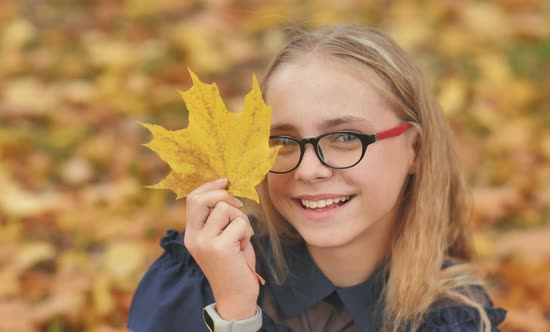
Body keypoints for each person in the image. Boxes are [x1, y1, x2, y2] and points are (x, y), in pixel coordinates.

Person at [127, 24, 506, 332]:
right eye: (283, 140)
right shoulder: (199, 279)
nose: (308, 170)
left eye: (345, 138)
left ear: (415, 150)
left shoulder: (451, 316)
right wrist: (235, 312)